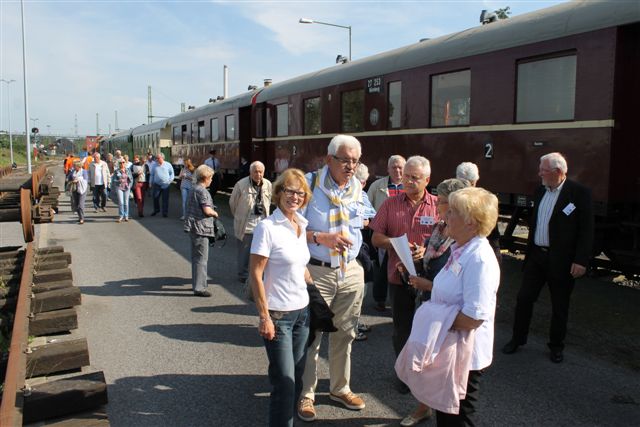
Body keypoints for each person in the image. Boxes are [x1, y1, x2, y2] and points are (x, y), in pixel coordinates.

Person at [396, 186, 500, 426]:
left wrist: (430, 316)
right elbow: (453, 292)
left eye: (453, 212)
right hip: (450, 348)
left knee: (457, 419)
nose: (445, 216)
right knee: (446, 416)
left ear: (471, 223)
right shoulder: (460, 248)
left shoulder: (479, 258)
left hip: (466, 356)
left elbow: (473, 318)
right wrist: (429, 286)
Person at [297, 134, 373, 422]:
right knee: (313, 333)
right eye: (345, 160)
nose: (351, 166)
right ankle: (307, 393)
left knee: (346, 332)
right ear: (329, 159)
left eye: (355, 161)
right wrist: (320, 236)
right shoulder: (307, 184)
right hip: (317, 270)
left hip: (350, 270)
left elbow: (366, 219)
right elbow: (286, 231)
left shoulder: (357, 188)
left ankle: (340, 388)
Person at [502, 152, 593, 363]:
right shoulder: (540, 190)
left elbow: (586, 230)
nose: (539, 173)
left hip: (562, 260)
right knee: (524, 298)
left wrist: (580, 260)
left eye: (543, 170)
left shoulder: (579, 193)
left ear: (558, 172)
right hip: (537, 257)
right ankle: (517, 338)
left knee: (560, 305)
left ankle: (556, 346)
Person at [397, 178, 469, 427]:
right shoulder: (441, 228)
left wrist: (427, 284)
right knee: (429, 363)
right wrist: (415, 260)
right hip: (431, 305)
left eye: (444, 202)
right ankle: (424, 407)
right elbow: (430, 259)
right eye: (438, 201)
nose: (437, 206)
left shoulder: (463, 237)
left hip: (447, 314)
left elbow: (456, 280)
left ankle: (432, 409)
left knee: (440, 367)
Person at [249, 168, 314, 427]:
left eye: (300, 192)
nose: (294, 197)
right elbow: (255, 274)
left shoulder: (301, 224)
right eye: (289, 191)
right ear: (278, 193)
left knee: (297, 379)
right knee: (284, 383)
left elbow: (300, 266)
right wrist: (264, 317)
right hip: (279, 316)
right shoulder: (267, 228)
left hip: (303, 314)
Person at [369, 155, 439, 395]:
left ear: (427, 180)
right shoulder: (390, 204)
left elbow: (448, 242)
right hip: (398, 278)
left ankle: (424, 372)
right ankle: (404, 374)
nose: (408, 181)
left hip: (429, 281)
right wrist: (396, 244)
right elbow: (375, 238)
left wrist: (426, 249)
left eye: (415, 178)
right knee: (402, 330)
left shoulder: (438, 206)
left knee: (428, 330)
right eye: (406, 176)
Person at [367, 155, 406, 312]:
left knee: (403, 266)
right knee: (382, 269)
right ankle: (380, 299)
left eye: (400, 167)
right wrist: (373, 223)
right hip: (383, 234)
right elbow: (366, 206)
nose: (397, 170)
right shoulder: (377, 186)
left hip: (403, 232)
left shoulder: (409, 186)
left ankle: (402, 298)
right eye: (394, 167)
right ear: (388, 169)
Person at [229, 161, 272, 282]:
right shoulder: (241, 184)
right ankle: (243, 274)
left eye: (260, 172)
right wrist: (239, 216)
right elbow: (233, 203)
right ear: (250, 172)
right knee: (244, 251)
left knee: (261, 250)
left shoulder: (267, 184)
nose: (258, 174)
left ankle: (257, 274)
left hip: (262, 223)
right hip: (246, 223)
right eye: (255, 171)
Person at [455, 161, 502, 264]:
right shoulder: (486, 201)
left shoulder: (450, 201)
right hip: (478, 255)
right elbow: (493, 238)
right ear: (475, 181)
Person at [183, 165, 219, 297]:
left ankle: (197, 283)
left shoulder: (194, 189)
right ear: (206, 177)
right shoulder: (203, 191)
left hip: (193, 227)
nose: (211, 180)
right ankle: (200, 288)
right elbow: (207, 210)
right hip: (201, 228)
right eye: (211, 178)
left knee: (196, 258)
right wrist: (215, 213)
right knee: (201, 259)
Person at [353, 163, 377, 341]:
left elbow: (371, 218)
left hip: (359, 245)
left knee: (361, 287)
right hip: (353, 247)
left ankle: (354, 322)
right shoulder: (357, 194)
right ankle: (352, 327)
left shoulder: (361, 195)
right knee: (356, 288)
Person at [150, 153, 174, 217]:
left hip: (166, 184)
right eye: (156, 158)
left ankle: (165, 213)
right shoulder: (154, 165)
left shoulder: (168, 164)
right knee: (155, 197)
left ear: (163, 158)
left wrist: (169, 181)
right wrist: (150, 182)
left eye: (158, 158)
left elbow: (172, 174)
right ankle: (156, 210)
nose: (157, 159)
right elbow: (152, 174)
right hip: (157, 184)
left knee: (165, 199)